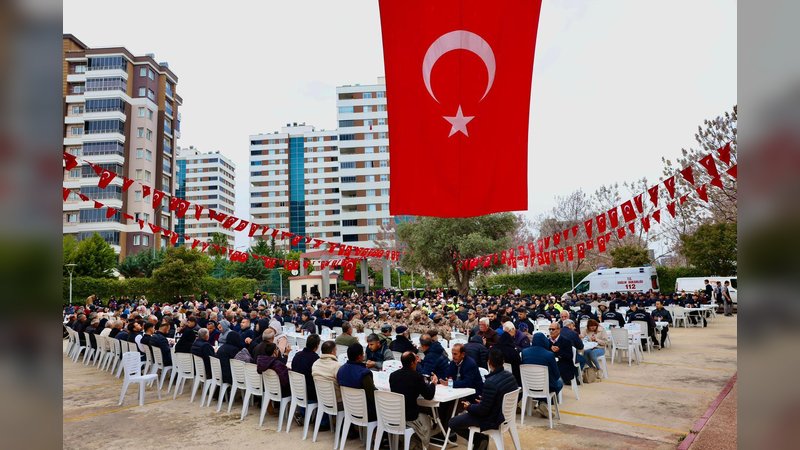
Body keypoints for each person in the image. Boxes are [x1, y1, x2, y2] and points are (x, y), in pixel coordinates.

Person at [448, 348, 518, 450]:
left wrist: (469, 407)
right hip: (505, 416)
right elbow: (499, 397)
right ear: (503, 361)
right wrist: (485, 400)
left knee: (453, 422)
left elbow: (482, 411)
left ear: (489, 363)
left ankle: (479, 439)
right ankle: (480, 440)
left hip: (492, 419)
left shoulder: (490, 382)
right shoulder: (510, 376)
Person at [389, 352, 437, 450]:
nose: (417, 362)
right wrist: (433, 383)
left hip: (396, 414)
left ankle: (413, 442)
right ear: (412, 363)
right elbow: (429, 396)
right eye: (416, 360)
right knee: (429, 417)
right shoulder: (416, 377)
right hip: (410, 416)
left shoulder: (393, 375)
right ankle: (422, 444)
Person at [521, 333, 563, 417]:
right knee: (560, 382)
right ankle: (543, 402)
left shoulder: (524, 352)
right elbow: (556, 374)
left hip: (528, 385)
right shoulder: (549, 355)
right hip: (544, 386)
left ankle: (540, 403)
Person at [336, 344, 377, 420]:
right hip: (365, 411)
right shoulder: (364, 374)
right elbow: (373, 395)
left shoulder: (341, 370)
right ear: (359, 356)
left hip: (348, 407)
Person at [291, 334, 321, 403]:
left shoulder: (297, 355)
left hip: (296, 388)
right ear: (317, 346)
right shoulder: (315, 359)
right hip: (309, 392)